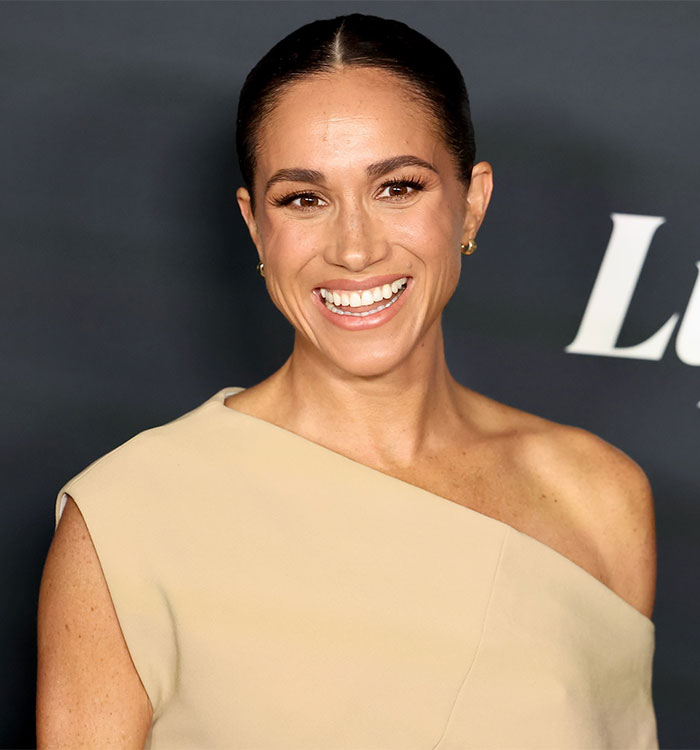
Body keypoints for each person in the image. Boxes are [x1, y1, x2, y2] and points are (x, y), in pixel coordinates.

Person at [36, 13, 658, 749]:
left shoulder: (597, 496)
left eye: (397, 187)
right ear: (253, 225)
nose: (355, 248)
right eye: (304, 198)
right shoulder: (125, 523)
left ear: (472, 202)